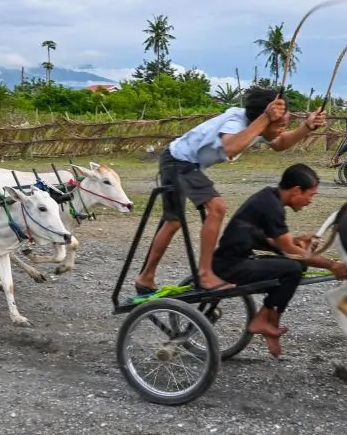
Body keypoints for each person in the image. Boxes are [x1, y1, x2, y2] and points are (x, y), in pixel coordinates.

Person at [133, 86, 325, 295]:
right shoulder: (236, 123)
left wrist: (306, 127)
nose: (281, 129)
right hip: (178, 161)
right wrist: (265, 118)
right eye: (280, 125)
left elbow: (279, 144)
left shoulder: (257, 125)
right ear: (264, 117)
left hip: (189, 164)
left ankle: (146, 277)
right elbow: (230, 148)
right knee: (215, 208)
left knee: (174, 221)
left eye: (284, 125)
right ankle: (204, 273)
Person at [212, 163, 347, 357]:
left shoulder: (270, 198)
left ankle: (264, 319)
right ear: (295, 191)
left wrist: (296, 240)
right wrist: (332, 264)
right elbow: (290, 251)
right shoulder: (271, 206)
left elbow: (271, 240)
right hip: (230, 267)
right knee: (292, 268)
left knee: (296, 265)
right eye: (311, 195)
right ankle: (266, 321)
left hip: (238, 259)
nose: (310, 201)